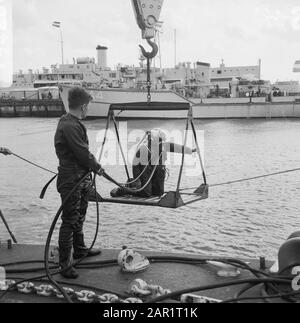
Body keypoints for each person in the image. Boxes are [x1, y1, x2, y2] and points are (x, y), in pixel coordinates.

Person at [54, 86, 103, 279]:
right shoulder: (70, 125)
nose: (88, 109)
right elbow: (82, 152)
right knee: (70, 220)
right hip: (71, 179)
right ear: (83, 107)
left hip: (80, 177)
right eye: (88, 106)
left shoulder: (70, 122)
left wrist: (92, 169)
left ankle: (80, 249)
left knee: (80, 214)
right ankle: (64, 265)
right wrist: (97, 167)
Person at [111, 129, 196, 198]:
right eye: (159, 142)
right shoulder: (143, 150)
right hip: (144, 171)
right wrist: (137, 180)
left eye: (161, 141)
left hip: (155, 170)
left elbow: (176, 147)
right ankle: (123, 190)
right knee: (146, 193)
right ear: (152, 141)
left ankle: (141, 186)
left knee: (159, 192)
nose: (161, 143)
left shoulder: (162, 145)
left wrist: (190, 150)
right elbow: (135, 165)